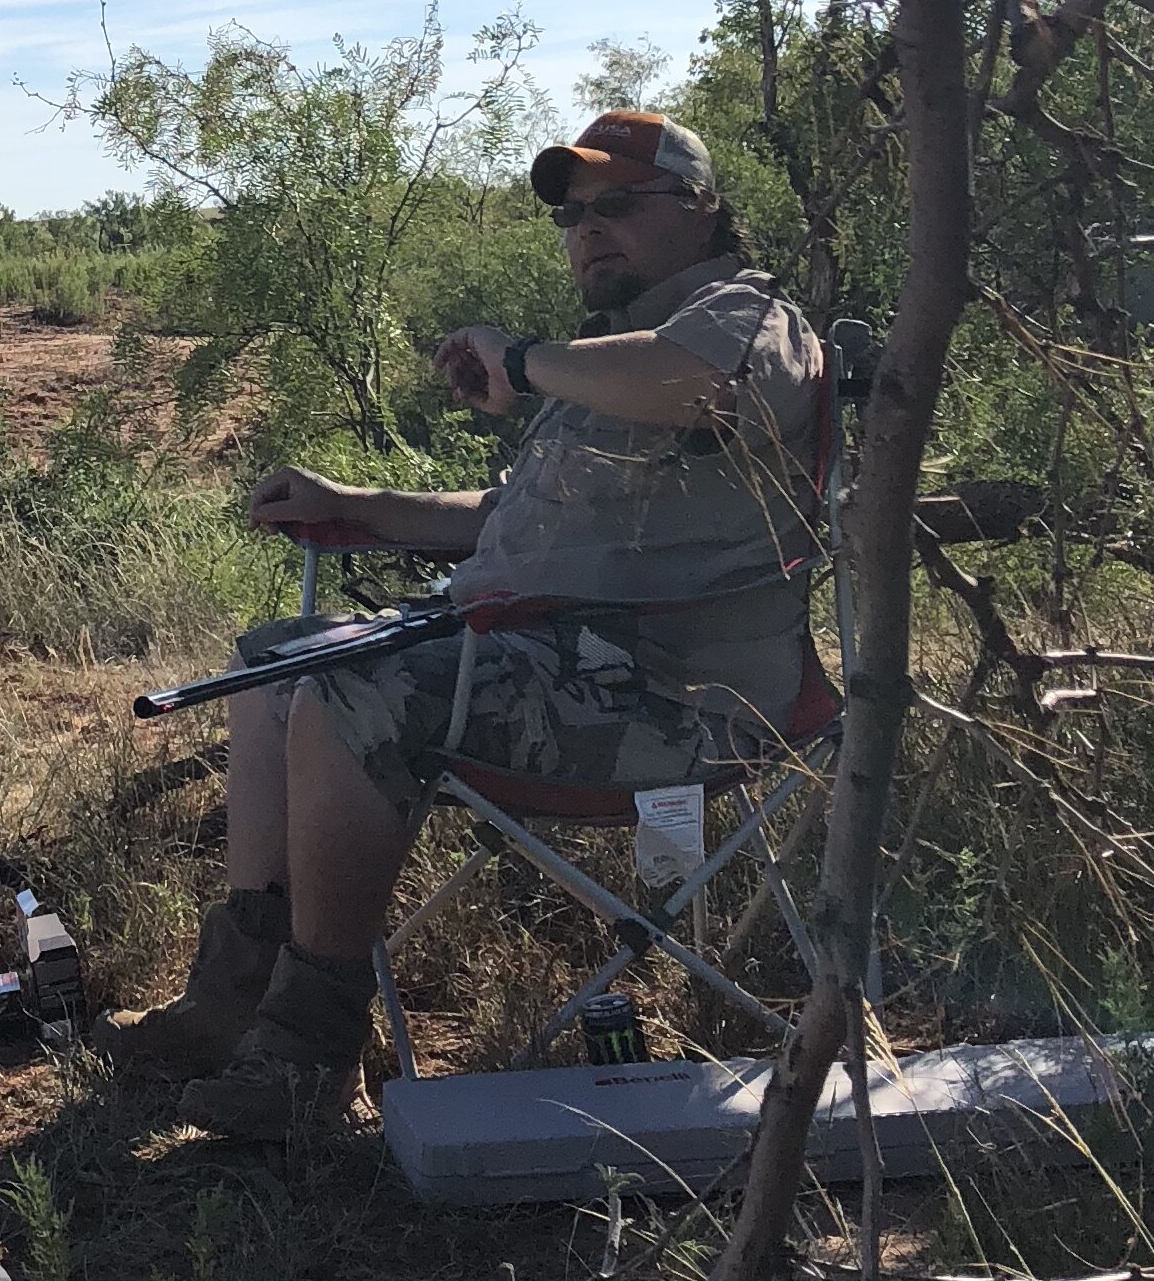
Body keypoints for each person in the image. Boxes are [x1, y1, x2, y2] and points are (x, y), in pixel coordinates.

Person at [111, 109, 826, 1140]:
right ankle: (238, 998)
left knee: (358, 688)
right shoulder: (613, 359)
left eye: (618, 204)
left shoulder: (743, 320)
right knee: (273, 664)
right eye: (574, 216)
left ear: (703, 211)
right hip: (548, 657)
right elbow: (516, 523)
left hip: (672, 697)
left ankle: (312, 1050)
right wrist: (358, 501)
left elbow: (704, 386)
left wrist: (527, 359)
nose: (589, 231)